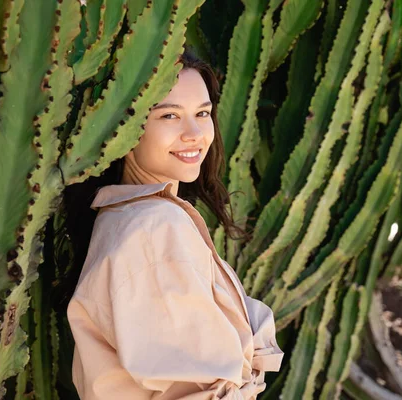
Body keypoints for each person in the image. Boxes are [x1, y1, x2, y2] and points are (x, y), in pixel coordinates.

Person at [61, 48, 284, 399]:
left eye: (203, 113)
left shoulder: (124, 215)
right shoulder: (155, 227)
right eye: (169, 116)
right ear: (125, 128)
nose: (194, 133)